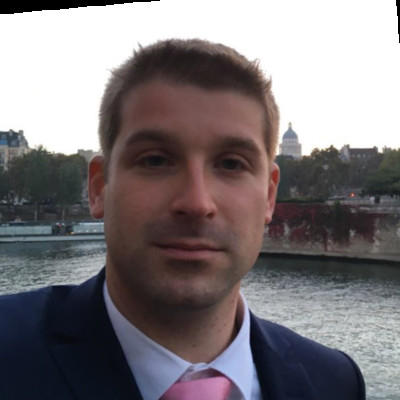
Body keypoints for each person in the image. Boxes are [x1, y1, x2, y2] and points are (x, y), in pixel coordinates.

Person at [0, 39, 365, 400]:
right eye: (156, 160)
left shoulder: (336, 383)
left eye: (231, 164)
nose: (196, 202)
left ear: (269, 197)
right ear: (99, 187)